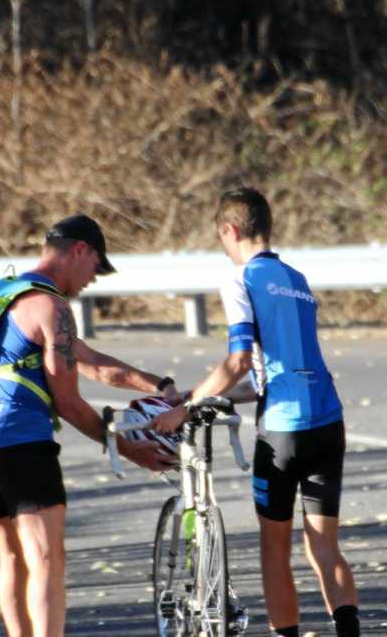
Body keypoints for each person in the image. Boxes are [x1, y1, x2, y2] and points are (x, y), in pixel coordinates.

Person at [0, 214, 180, 637]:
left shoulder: (7, 294)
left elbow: (93, 365)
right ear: (81, 250)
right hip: (20, 443)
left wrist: (161, 386)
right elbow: (70, 404)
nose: (93, 279)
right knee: (46, 559)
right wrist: (130, 451)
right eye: (97, 266)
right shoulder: (52, 306)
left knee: (12, 558)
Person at [152, 188, 361, 637]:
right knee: (324, 548)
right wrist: (200, 392)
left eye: (221, 238)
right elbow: (275, 370)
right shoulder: (296, 278)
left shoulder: (240, 278)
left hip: (283, 432)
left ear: (230, 230)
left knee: (275, 551)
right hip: (327, 421)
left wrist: (185, 410)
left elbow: (238, 360)